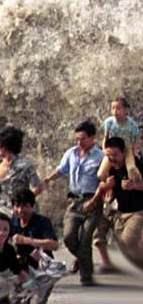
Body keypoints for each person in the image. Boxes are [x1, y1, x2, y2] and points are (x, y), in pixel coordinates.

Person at [43, 120, 104, 286]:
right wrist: (48, 178)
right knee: (69, 237)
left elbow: (104, 182)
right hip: (74, 202)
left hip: (93, 201)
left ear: (92, 138)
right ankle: (82, 259)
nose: (79, 142)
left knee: (85, 239)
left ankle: (86, 276)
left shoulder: (100, 157)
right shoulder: (71, 153)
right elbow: (61, 170)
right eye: (77, 139)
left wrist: (96, 201)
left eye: (83, 138)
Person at [86, 136, 143, 270]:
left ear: (123, 153)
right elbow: (101, 186)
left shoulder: (136, 165)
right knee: (118, 243)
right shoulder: (109, 168)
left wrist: (134, 185)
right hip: (119, 212)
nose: (112, 159)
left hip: (138, 212)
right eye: (109, 155)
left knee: (128, 241)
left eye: (116, 155)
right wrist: (106, 186)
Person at [0, 125, 43, 211]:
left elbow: (38, 187)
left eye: (0, 144)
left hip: (18, 210)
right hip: (0, 207)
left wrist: (24, 201)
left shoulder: (25, 165)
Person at [10, 188, 58, 270]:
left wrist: (26, 240)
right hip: (21, 263)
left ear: (33, 206)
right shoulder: (12, 222)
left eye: (25, 206)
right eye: (17, 206)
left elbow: (54, 245)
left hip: (41, 263)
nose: (20, 210)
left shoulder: (42, 221)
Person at [98, 97, 141, 183]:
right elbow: (105, 137)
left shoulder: (131, 124)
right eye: (113, 108)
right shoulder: (109, 122)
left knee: (131, 169)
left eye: (118, 108)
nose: (115, 111)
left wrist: (135, 149)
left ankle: (138, 180)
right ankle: (109, 187)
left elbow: (137, 137)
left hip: (127, 147)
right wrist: (104, 149)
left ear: (125, 110)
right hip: (112, 149)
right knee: (101, 173)